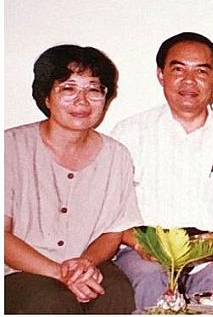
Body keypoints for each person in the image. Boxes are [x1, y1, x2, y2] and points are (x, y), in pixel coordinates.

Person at [111, 32, 213, 310]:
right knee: (152, 280)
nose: (189, 81)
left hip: (211, 256)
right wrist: (138, 243)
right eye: (178, 70)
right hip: (145, 255)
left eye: (201, 71)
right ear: (161, 75)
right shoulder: (129, 133)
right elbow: (110, 209)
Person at [5, 45, 142, 313]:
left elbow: (113, 230)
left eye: (93, 90)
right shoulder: (10, 147)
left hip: (88, 264)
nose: (82, 101)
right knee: (53, 301)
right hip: (20, 269)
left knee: (116, 292)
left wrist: (86, 262)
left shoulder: (116, 155)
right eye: (68, 88)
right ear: (46, 97)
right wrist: (61, 273)